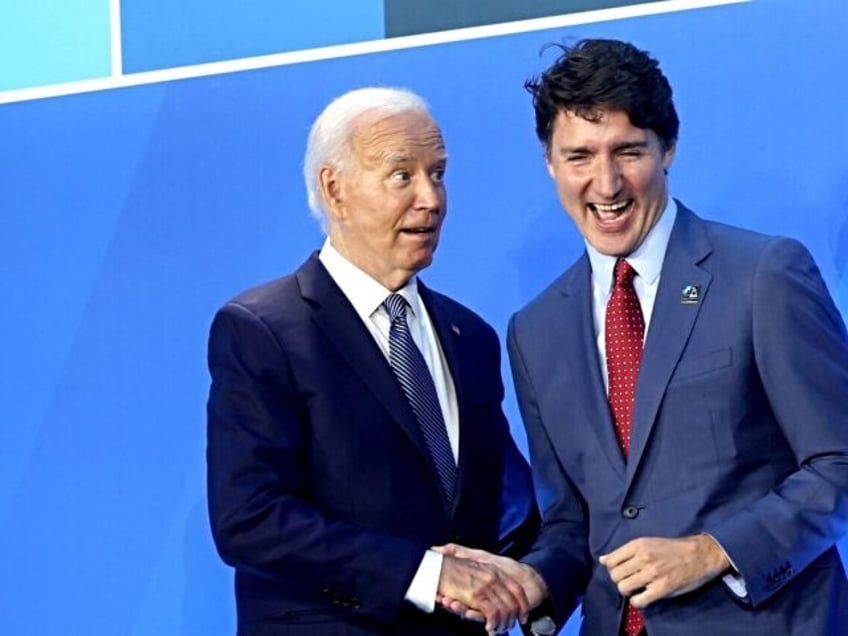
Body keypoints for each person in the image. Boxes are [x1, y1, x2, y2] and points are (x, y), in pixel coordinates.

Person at [442, 38, 848, 635]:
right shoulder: (535, 330)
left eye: (627, 151)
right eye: (579, 156)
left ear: (668, 149)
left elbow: (839, 462)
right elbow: (572, 524)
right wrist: (535, 581)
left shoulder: (763, 275)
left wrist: (714, 551)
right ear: (550, 164)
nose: (605, 184)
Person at [205, 86, 540, 636]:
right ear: (334, 190)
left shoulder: (469, 336)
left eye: (438, 172)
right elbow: (251, 517)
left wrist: (534, 578)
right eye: (402, 175)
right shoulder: (263, 329)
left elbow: (511, 509)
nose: (431, 198)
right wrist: (427, 574)